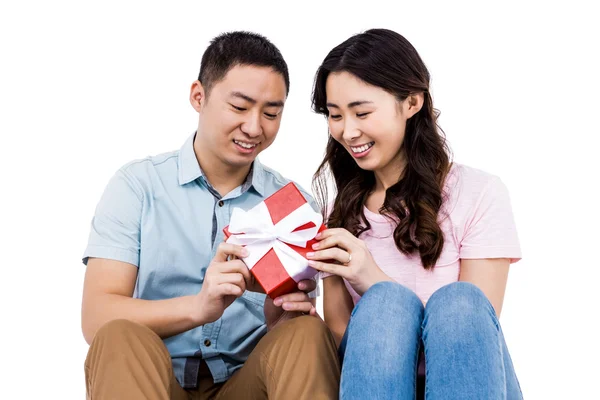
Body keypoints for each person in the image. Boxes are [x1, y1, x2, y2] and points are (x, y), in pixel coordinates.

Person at [81, 31, 340, 400]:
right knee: (119, 334)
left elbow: (295, 333)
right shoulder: (138, 186)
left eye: (271, 113)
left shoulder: (293, 206)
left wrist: (282, 318)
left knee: (308, 334)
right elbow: (96, 317)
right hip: (153, 383)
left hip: (248, 383)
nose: (254, 128)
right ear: (198, 97)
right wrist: (200, 308)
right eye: (239, 107)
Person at [307, 28, 523, 399]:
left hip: (466, 382)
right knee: (385, 306)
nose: (348, 131)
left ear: (412, 103)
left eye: (362, 112)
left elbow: (470, 333)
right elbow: (342, 332)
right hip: (377, 384)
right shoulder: (338, 210)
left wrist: (369, 276)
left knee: (457, 302)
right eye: (335, 115)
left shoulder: (479, 193)